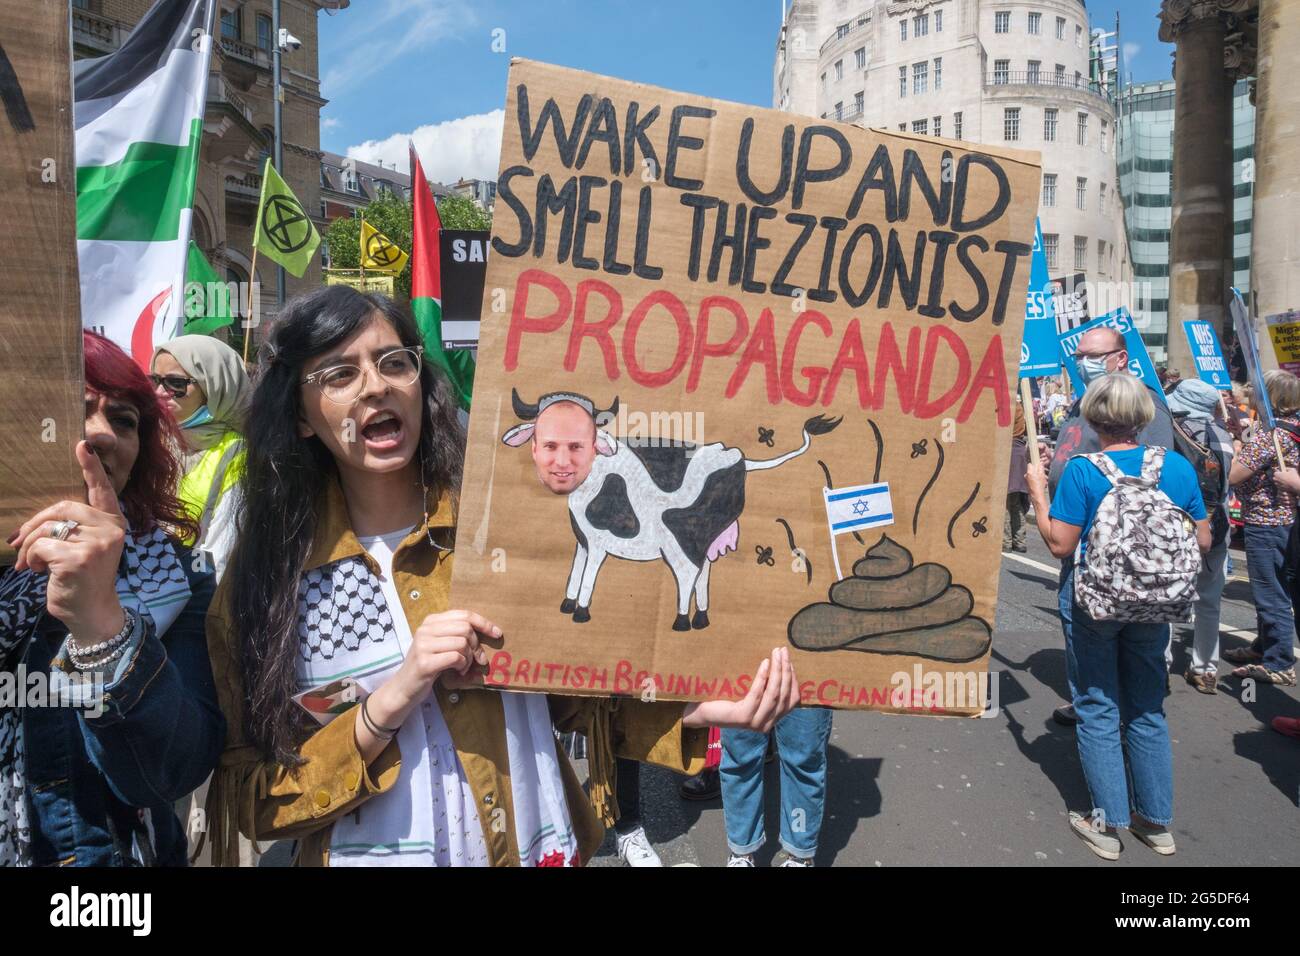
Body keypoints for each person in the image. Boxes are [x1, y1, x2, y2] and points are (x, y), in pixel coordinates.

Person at [203, 286, 800, 867]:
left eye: (393, 363)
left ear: (420, 382)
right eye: (339, 375)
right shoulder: (269, 583)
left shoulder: (506, 536)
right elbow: (253, 800)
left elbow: (573, 702)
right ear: (302, 417)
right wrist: (383, 709)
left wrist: (697, 711)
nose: (375, 385)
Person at [0, 331, 223, 866]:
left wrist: (102, 626)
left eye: (123, 420)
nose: (100, 434)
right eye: (74, 411)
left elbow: (172, 772)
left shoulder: (178, 575)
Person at [1026, 373, 1210, 860]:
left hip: (1094, 602)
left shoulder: (1085, 471)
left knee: (1097, 705)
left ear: (1092, 417)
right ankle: (1156, 823)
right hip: (1155, 604)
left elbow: (1060, 545)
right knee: (1147, 706)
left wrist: (1040, 496)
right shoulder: (1175, 468)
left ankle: (1104, 821)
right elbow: (1204, 540)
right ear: (1145, 416)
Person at [1043, 326, 1176, 725]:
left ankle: (1110, 713)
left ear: (1121, 358)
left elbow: (1155, 476)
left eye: (1093, 356)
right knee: (1083, 641)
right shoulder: (1080, 404)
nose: (1083, 363)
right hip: (1079, 549)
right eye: (1079, 355)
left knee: (1121, 644)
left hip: (1119, 553)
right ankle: (1096, 700)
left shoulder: (1142, 406)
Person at [150, 335, 251, 581]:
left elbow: (220, 556)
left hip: (197, 593)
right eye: (154, 381)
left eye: (177, 384)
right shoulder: (152, 440)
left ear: (214, 387)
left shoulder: (239, 453)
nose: (161, 393)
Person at [1223, 369, 1300, 686]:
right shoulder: (1292, 428)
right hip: (1287, 521)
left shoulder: (1273, 436)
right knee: (1276, 588)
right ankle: (1265, 644)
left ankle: (1279, 661)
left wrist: (1235, 447)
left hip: (1266, 522)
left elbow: (1233, 475)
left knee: (1270, 592)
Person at [1163, 379, 1236, 694]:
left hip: (1178, 523)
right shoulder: (1224, 436)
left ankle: (1160, 663)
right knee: (1209, 602)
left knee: (1166, 598)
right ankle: (1205, 668)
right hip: (1217, 525)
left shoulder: (1170, 433)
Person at [721, 707, 832, 867]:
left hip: (807, 683)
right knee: (740, 759)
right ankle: (741, 852)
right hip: (742, 683)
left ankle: (799, 855)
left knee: (802, 763)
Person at [1004, 401, 1030, 553]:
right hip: (1018, 452)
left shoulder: (1008, 404)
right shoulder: (1018, 405)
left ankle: (1006, 540)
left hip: (1009, 450)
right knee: (1015, 500)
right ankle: (1019, 540)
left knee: (1005, 501)